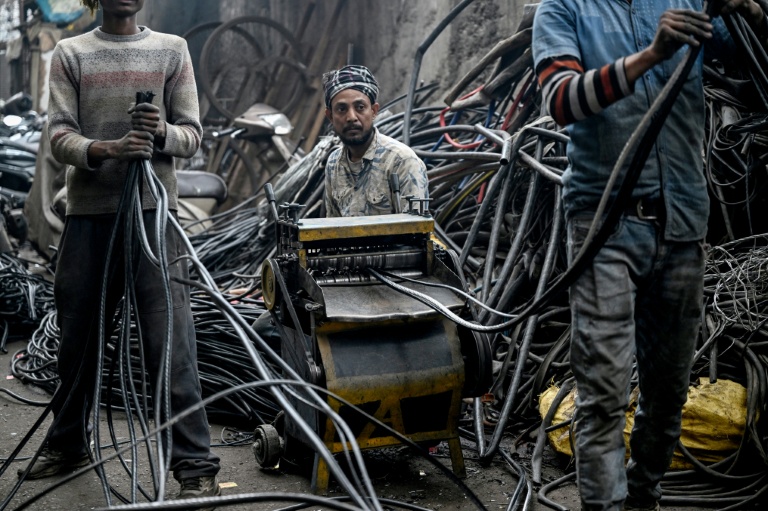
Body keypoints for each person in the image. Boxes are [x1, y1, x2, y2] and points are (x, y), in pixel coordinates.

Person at [532, 1, 767, 510]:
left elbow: (752, 56)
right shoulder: (564, 9)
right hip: (605, 225)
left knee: (668, 395)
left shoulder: (685, 2)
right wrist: (650, 55)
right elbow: (561, 100)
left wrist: (750, 9)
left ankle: (643, 499)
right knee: (603, 397)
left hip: (682, 221)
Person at [19, 0, 221, 503]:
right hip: (89, 218)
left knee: (170, 341)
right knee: (77, 340)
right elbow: (59, 137)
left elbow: (192, 135)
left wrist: (159, 134)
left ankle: (195, 464)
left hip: (154, 220)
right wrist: (107, 148)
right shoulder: (72, 52)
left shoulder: (172, 50)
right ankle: (68, 445)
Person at [321, 65, 428, 216]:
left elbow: (415, 233)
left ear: (374, 111)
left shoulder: (401, 161)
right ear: (330, 116)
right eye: (341, 109)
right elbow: (332, 228)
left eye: (360, 107)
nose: (351, 117)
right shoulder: (333, 164)